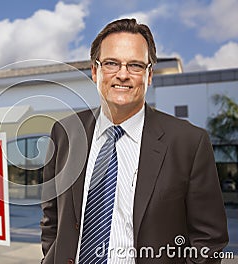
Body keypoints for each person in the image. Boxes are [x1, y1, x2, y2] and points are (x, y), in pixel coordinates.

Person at [40, 18, 229, 264]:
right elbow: (51, 218)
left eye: (135, 66)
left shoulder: (189, 143)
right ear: (95, 71)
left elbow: (209, 240)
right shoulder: (65, 132)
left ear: (149, 75)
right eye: (111, 63)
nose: (122, 75)